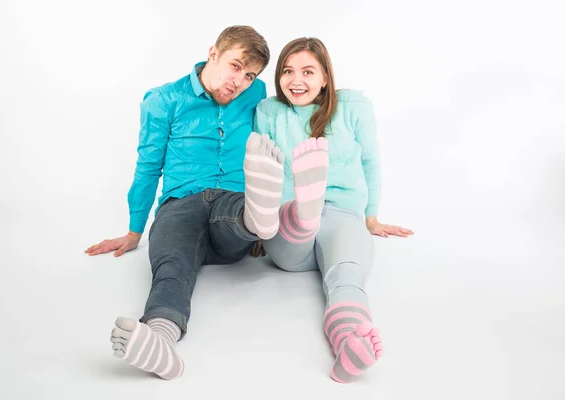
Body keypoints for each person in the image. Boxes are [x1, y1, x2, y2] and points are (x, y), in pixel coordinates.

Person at [85, 25, 287, 380]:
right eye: (235, 66)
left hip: (233, 202)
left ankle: (259, 222)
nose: (240, 81)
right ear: (213, 54)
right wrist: (134, 231)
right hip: (180, 203)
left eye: (250, 74)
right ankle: (161, 340)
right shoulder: (164, 100)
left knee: (235, 216)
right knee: (172, 264)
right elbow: (148, 167)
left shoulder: (257, 94)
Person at [252, 37, 414, 384]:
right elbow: (259, 166)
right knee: (295, 228)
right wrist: (255, 230)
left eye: (308, 72)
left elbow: (371, 161)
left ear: (326, 76)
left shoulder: (354, 106)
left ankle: (349, 346)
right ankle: (301, 213)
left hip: (342, 213)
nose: (297, 81)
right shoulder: (269, 111)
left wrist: (370, 216)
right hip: (287, 226)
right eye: (288, 71)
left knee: (346, 277)